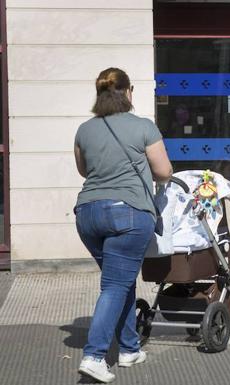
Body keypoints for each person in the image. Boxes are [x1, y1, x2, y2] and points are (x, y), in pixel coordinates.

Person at [73, 68, 173, 383]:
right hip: (128, 213)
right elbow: (164, 172)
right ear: (128, 92)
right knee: (115, 284)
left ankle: (129, 349)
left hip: (88, 213)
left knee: (121, 279)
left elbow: (84, 170)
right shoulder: (143, 127)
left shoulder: (84, 129)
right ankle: (94, 355)